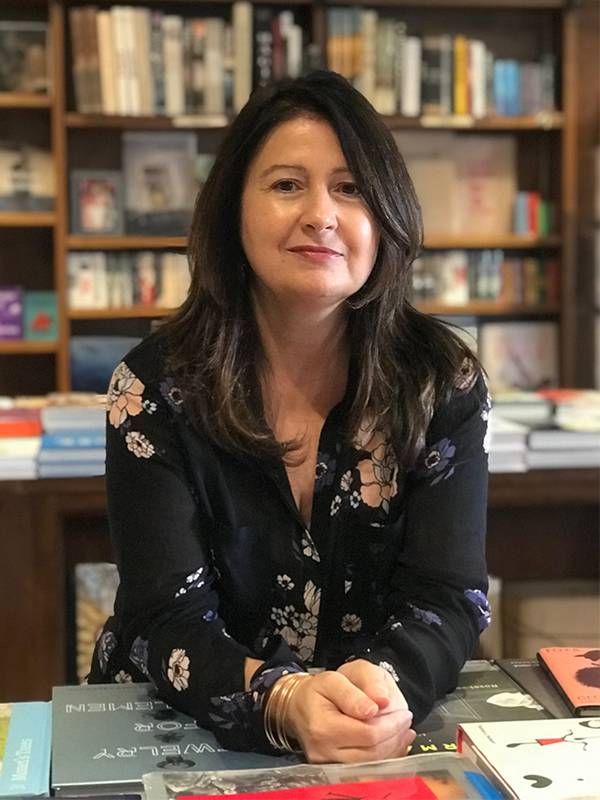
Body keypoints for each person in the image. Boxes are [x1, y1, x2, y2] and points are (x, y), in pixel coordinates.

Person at [88, 70, 491, 764]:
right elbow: (164, 617)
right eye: (286, 185)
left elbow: (449, 597)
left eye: (351, 187)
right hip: (181, 734)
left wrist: (381, 695)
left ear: (386, 212)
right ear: (233, 210)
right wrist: (281, 701)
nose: (321, 215)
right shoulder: (152, 388)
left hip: (371, 737)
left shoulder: (440, 381)